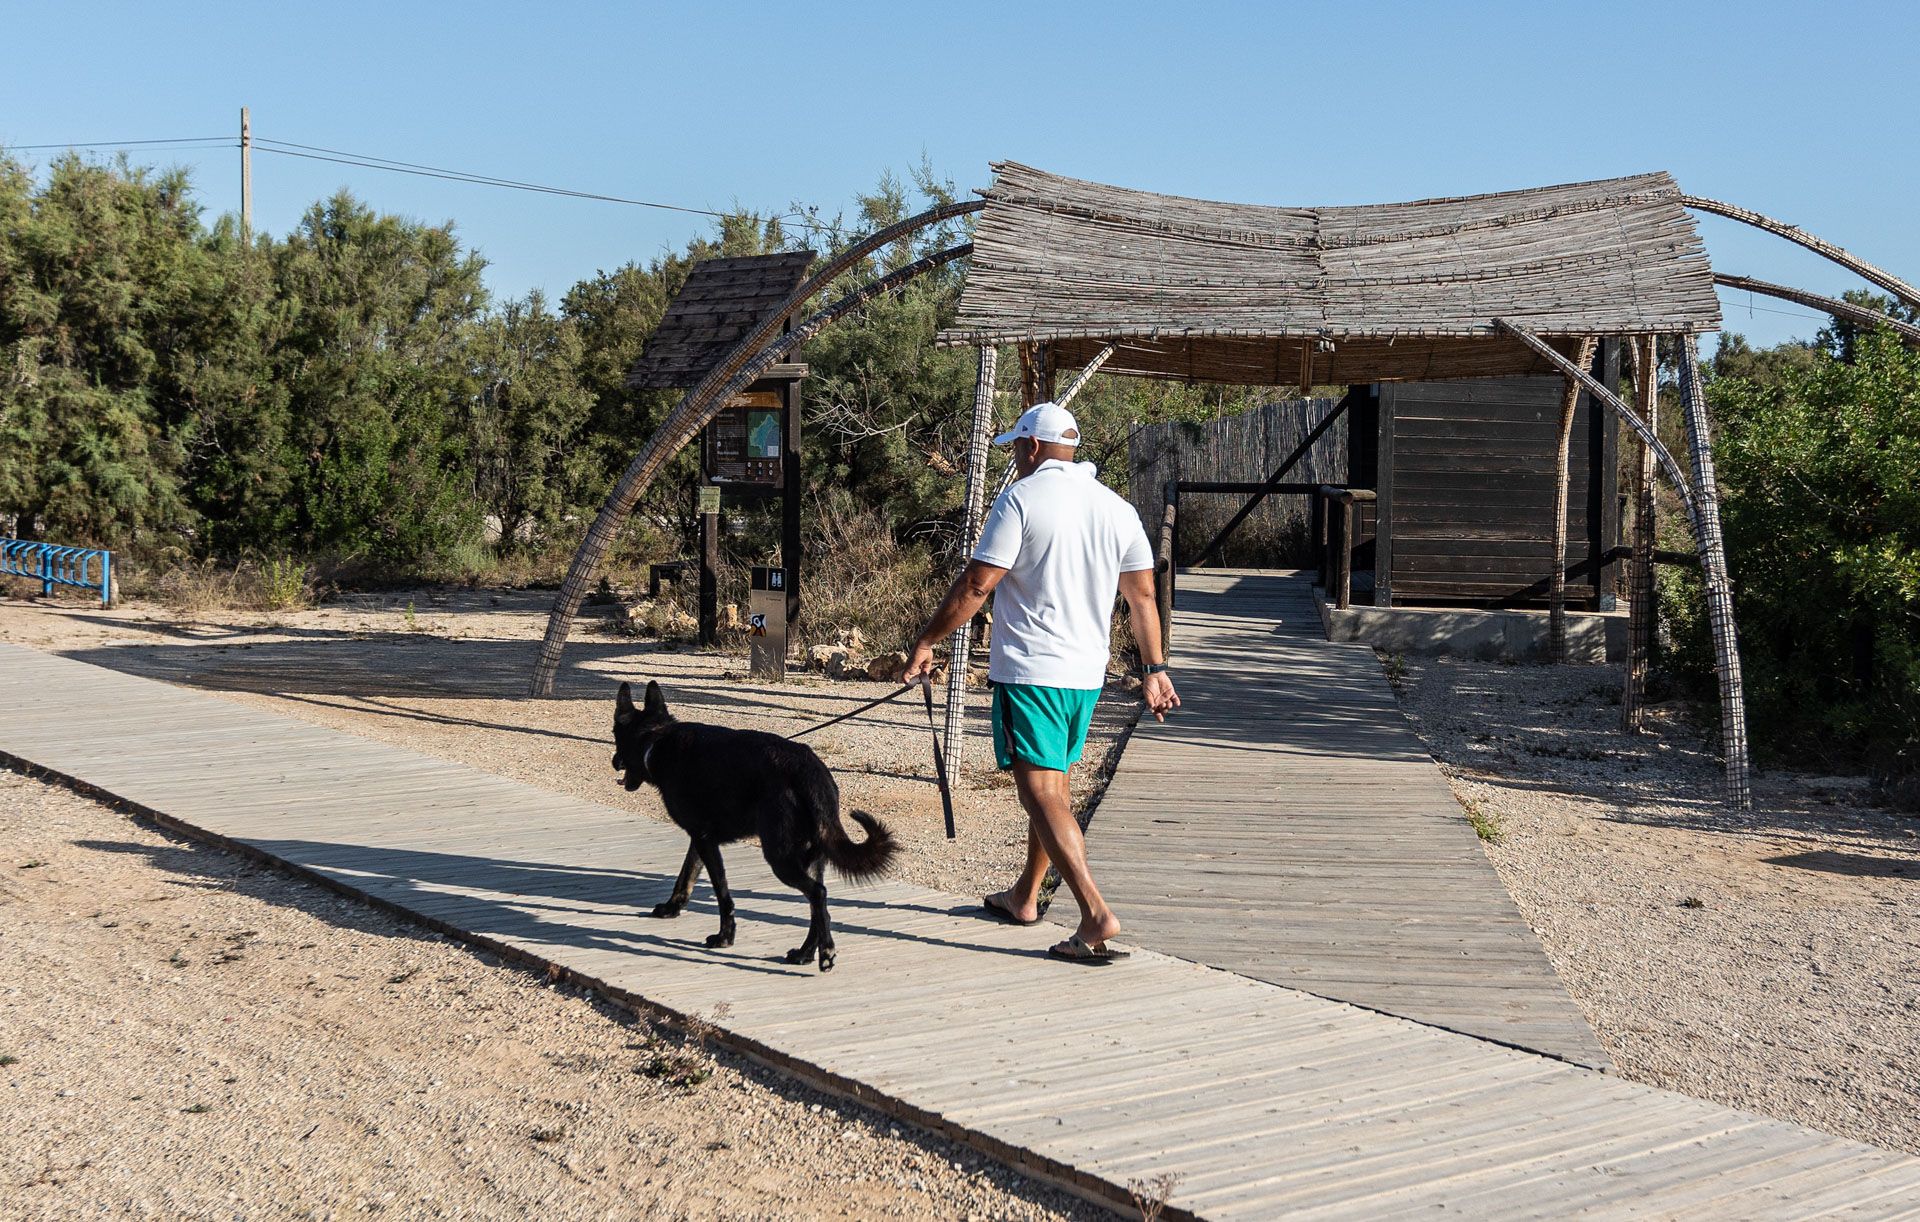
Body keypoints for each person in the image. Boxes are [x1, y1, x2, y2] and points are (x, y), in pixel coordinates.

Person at [905, 401, 1178, 964]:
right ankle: (1026, 896)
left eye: (1016, 449)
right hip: (1085, 676)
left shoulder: (1021, 499)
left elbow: (979, 583)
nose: (1015, 459)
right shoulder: (1117, 508)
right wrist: (1155, 669)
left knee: (1041, 792)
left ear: (1031, 447)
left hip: (1032, 670)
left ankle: (1094, 914)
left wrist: (928, 640)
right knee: (1054, 788)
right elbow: (1143, 597)